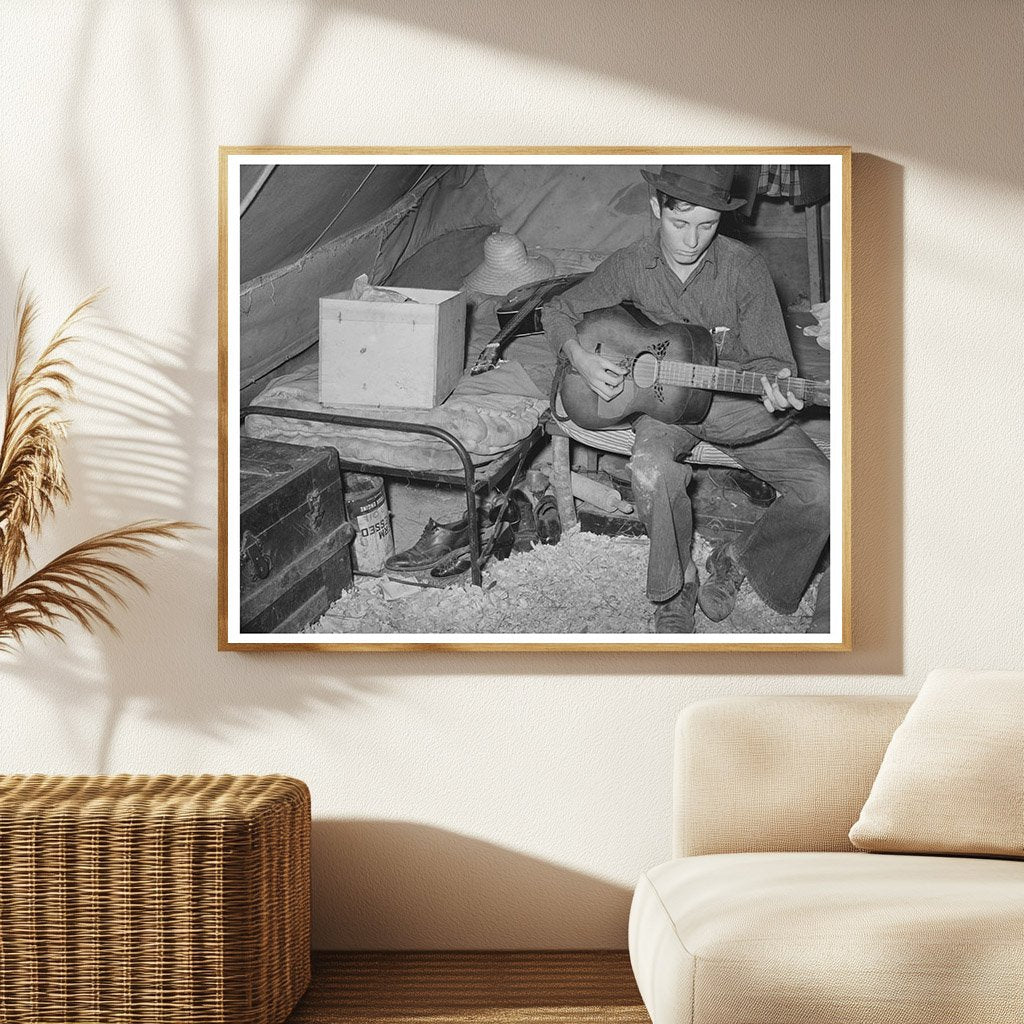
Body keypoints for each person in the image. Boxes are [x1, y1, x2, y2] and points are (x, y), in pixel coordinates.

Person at [541, 165, 830, 633]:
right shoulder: (632, 263)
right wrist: (581, 358)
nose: (692, 240)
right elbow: (557, 310)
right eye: (680, 223)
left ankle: (740, 557)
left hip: (734, 405)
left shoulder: (745, 269)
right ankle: (678, 587)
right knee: (652, 470)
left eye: (707, 225)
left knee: (824, 489)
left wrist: (777, 388)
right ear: (657, 208)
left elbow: (772, 361)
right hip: (662, 409)